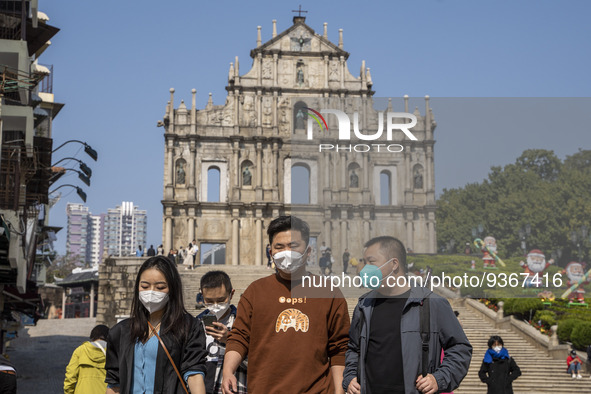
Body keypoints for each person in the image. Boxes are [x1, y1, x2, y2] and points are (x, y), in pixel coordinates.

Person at [222, 215, 350, 394]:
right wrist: (228, 371)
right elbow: (239, 337)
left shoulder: (329, 292)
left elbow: (340, 347)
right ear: (271, 252)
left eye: (293, 246)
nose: (286, 252)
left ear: (308, 251)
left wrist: (339, 390)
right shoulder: (255, 291)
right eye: (279, 247)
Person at [344, 236, 472, 394]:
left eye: (371, 262)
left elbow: (460, 348)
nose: (364, 269)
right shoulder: (364, 305)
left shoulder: (432, 303)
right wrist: (350, 377)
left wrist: (439, 378)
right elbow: (352, 348)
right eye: (364, 262)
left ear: (394, 264)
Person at [105, 256, 207, 393]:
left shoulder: (188, 327)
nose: (151, 292)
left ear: (172, 289)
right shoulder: (120, 331)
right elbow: (114, 382)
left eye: (160, 287)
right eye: (145, 286)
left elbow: (194, 375)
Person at [197, 271, 246, 393]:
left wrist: (230, 340)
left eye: (221, 300)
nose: (215, 305)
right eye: (209, 301)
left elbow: (259, 362)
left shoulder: (244, 324)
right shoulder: (194, 324)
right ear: (202, 296)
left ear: (231, 294)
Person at [64, 324, 109, 394]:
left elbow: (70, 377)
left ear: (92, 337)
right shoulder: (113, 353)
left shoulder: (80, 350)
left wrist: (68, 392)